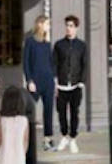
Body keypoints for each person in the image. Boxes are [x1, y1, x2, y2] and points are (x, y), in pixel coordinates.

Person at [52, 14, 86, 153]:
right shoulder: (59, 45)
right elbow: (54, 64)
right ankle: (64, 135)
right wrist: (54, 81)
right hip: (61, 85)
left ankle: (73, 139)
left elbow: (84, 64)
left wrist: (82, 82)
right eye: (67, 25)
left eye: (71, 26)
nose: (68, 28)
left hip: (76, 85)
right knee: (61, 113)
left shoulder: (81, 45)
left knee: (74, 113)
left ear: (76, 28)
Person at [22, 15, 56, 152]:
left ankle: (48, 141)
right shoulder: (30, 42)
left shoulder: (47, 43)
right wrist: (29, 80)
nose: (49, 26)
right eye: (48, 24)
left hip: (48, 81)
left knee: (48, 112)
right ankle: (24, 140)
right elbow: (26, 63)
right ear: (40, 24)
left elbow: (51, 63)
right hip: (35, 82)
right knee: (27, 112)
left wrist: (55, 80)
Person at [0, 85, 30, 164]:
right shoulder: (24, 120)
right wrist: (22, 153)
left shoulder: (1, 119)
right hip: (19, 157)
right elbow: (25, 140)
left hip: (4, 157)